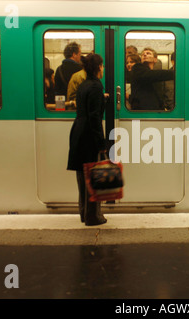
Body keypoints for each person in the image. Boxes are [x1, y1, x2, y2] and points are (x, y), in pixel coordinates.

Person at [67, 53, 107, 226]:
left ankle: (83, 213)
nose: (103, 69)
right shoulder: (96, 86)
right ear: (99, 67)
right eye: (102, 66)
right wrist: (101, 143)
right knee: (93, 175)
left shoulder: (83, 85)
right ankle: (93, 216)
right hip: (90, 134)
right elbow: (95, 117)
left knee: (82, 176)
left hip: (78, 131)